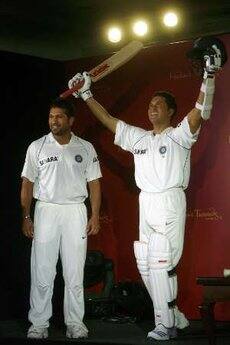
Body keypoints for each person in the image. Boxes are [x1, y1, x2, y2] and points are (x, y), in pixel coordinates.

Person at [68, 41, 222, 340]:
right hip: (146, 202)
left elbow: (201, 111)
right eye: (150, 105)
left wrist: (209, 74)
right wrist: (86, 94)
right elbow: (109, 121)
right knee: (146, 263)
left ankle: (164, 325)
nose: (151, 109)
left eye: (158, 106)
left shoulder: (180, 136)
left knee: (161, 261)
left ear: (170, 111)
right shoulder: (139, 138)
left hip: (169, 200)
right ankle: (173, 312)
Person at [20, 98, 102, 339]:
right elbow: (27, 183)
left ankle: (75, 324)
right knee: (42, 271)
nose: (53, 121)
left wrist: (94, 215)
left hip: (75, 211)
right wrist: (26, 215)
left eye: (58, 117)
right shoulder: (37, 146)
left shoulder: (85, 147)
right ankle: (39, 323)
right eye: (51, 116)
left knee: (74, 271)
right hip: (45, 210)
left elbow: (95, 183)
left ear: (70, 120)